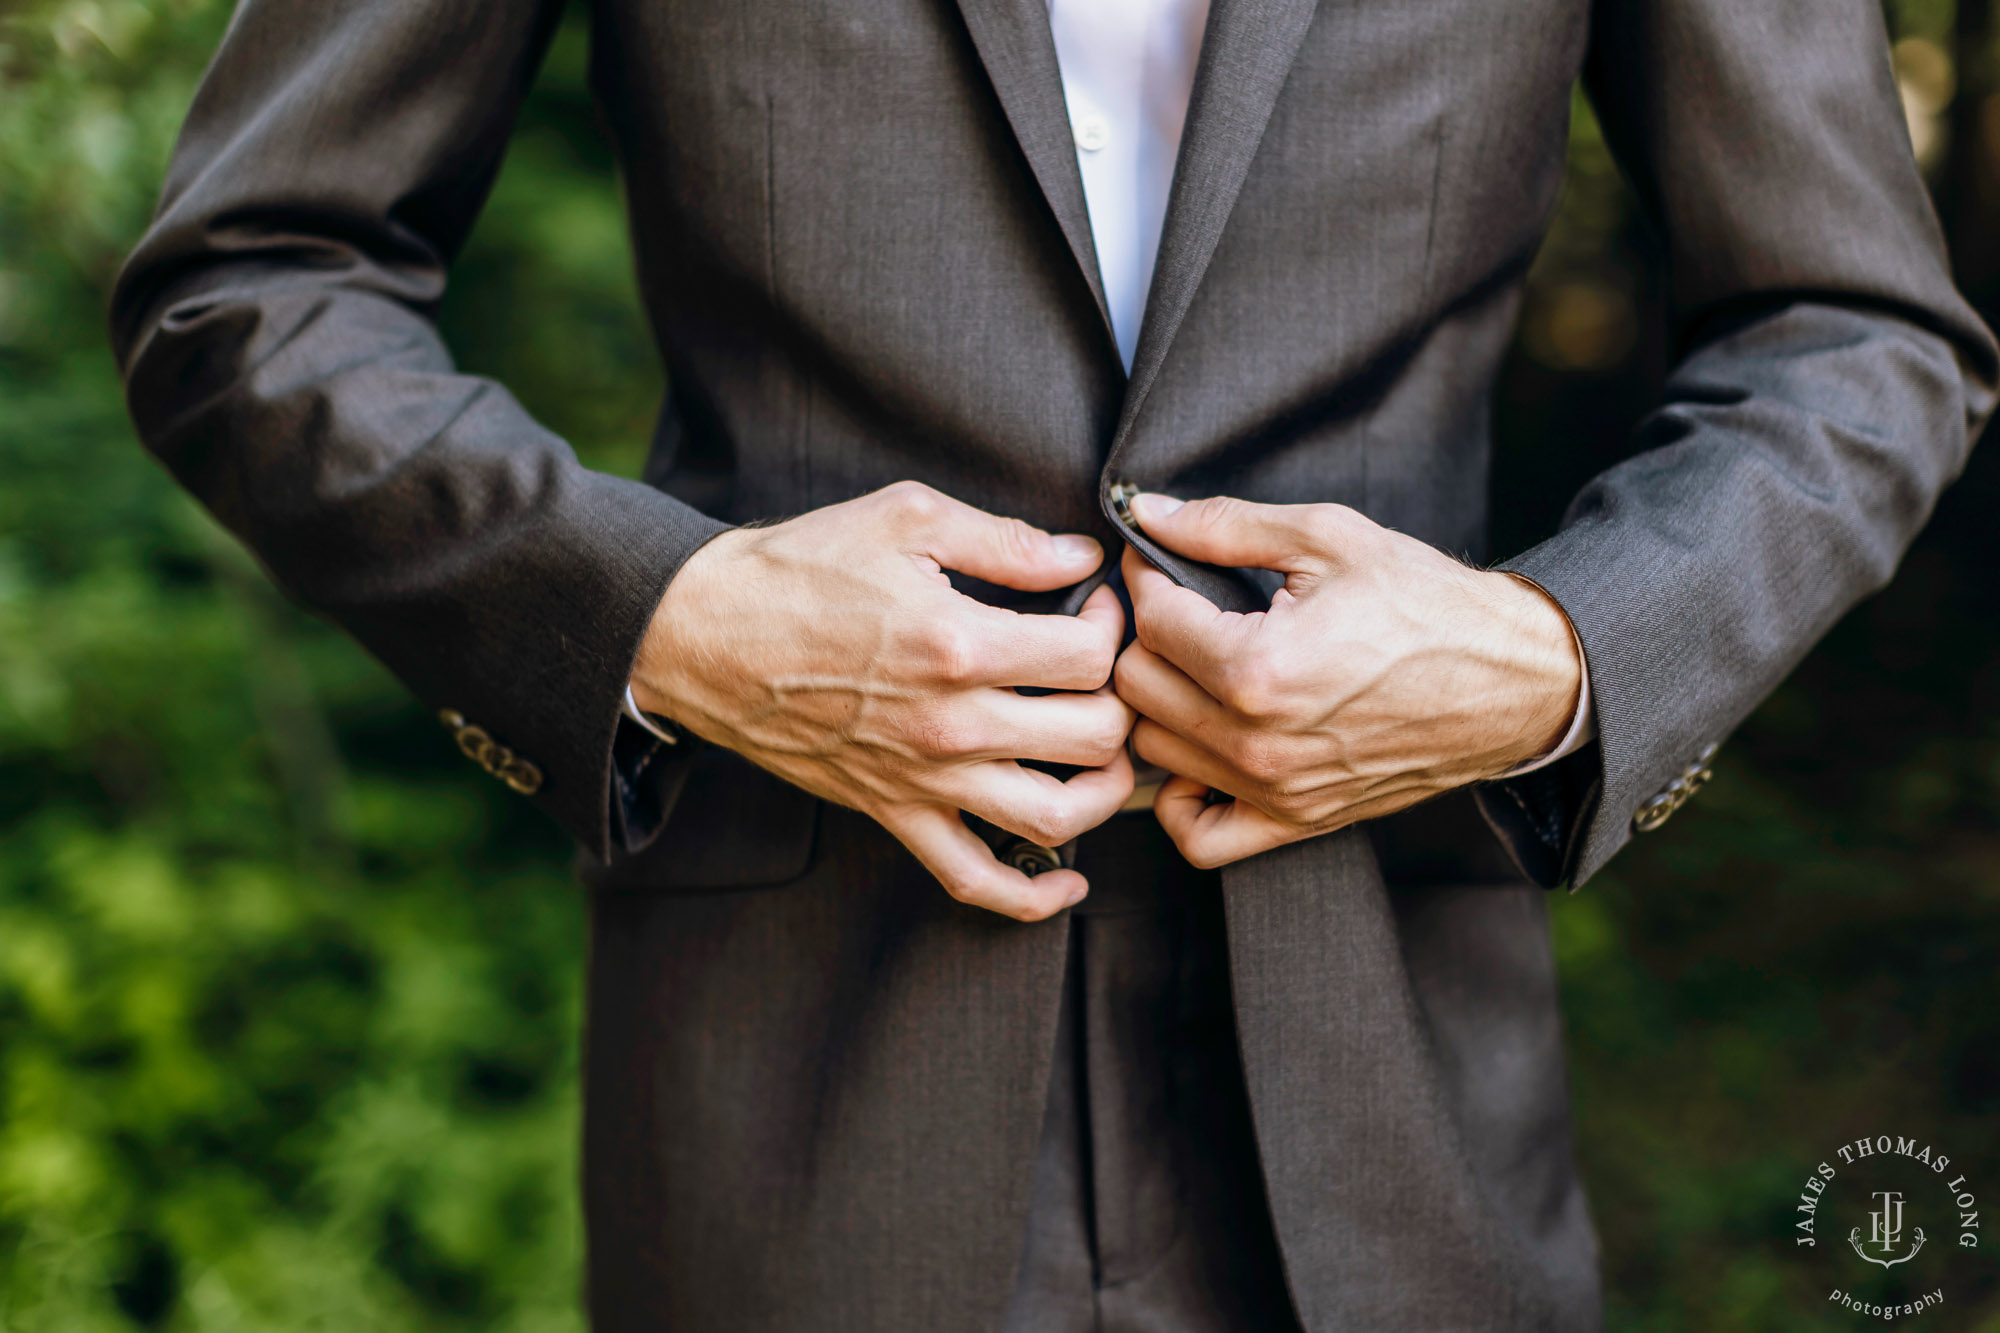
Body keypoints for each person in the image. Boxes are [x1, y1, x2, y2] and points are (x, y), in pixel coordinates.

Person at [111, 0, 1995, 1328]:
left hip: (1393, 1104)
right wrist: (672, 617)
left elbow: (1856, 334)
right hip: (800, 1104)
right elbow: (257, 279)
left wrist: (1560, 653)